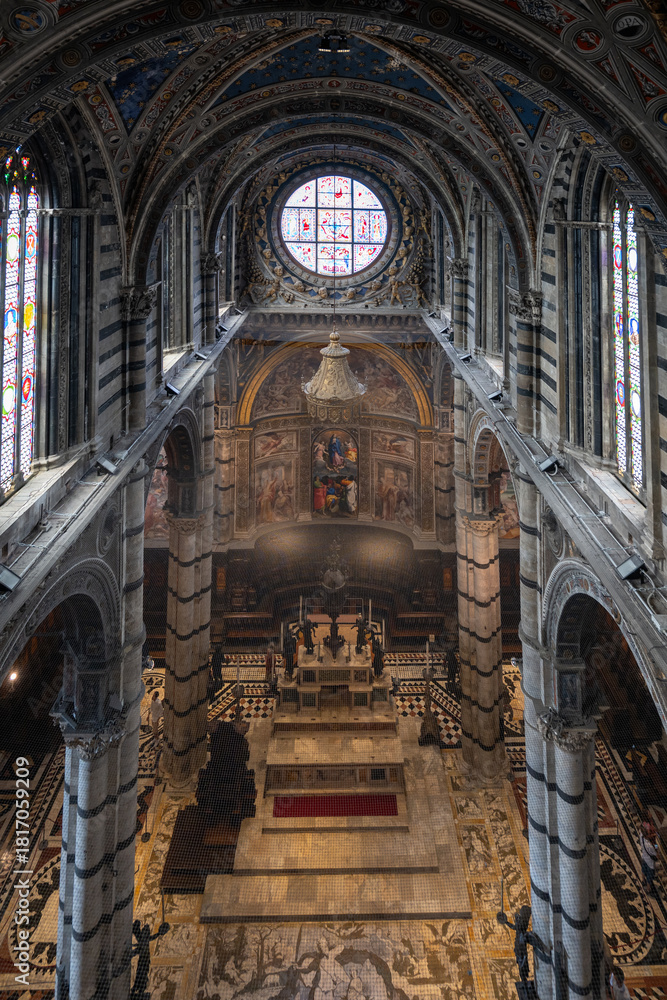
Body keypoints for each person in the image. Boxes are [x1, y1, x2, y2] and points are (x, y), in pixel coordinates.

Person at [640, 820, 659, 894]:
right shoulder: (650, 846)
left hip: (644, 857)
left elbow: (646, 835)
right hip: (650, 863)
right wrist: (656, 844)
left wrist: (653, 834)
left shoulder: (641, 835)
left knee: (643, 869)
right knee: (649, 877)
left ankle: (642, 880)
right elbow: (656, 854)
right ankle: (648, 889)